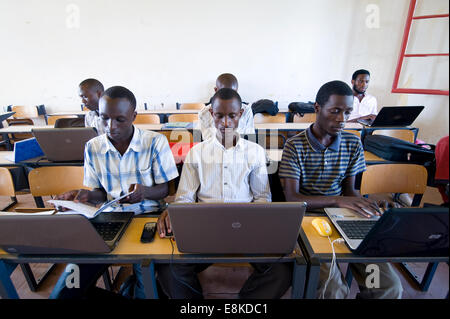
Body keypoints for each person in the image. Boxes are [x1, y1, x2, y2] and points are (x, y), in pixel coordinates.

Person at [156, 88, 292, 299]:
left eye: (232, 115)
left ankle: (245, 304)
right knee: (169, 270)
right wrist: (176, 213)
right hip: (204, 230)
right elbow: (184, 198)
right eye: (219, 115)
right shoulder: (196, 153)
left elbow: (263, 198)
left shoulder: (255, 152)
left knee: (282, 271)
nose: (226, 123)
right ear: (211, 115)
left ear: (241, 116)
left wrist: (255, 222)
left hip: (247, 229)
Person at [50, 86, 178, 298]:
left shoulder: (155, 142)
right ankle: (130, 288)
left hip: (148, 219)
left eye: (120, 119)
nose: (111, 126)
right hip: (107, 219)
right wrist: (84, 195)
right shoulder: (92, 147)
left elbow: (164, 190)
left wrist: (144, 192)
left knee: (146, 291)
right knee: (63, 293)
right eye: (104, 118)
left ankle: (134, 285)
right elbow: (100, 193)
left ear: (134, 116)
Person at [279, 80, 403, 299]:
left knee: (387, 286)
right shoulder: (295, 145)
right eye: (335, 111)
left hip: (345, 215)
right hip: (308, 220)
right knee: (333, 290)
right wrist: (337, 200)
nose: (342, 119)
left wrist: (371, 206)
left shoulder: (352, 143)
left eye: (347, 112)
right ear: (317, 108)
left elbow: (350, 192)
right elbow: (292, 198)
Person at [197, 73, 255, 140]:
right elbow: (207, 142)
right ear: (216, 90)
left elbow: (250, 140)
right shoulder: (204, 114)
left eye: (233, 93)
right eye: (219, 115)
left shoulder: (246, 111)